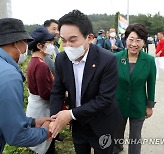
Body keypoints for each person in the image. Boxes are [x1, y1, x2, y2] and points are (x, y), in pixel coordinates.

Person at [49, 10, 123, 154]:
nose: (67, 45)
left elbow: (104, 99)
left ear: (89, 38)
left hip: (103, 122)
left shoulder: (107, 60)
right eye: (63, 40)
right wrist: (55, 119)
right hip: (79, 124)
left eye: (73, 40)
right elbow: (57, 91)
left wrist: (70, 114)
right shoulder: (61, 59)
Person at [0, 18, 52, 153]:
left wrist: (32, 122)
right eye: (25, 43)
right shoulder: (7, 75)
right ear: (16, 43)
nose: (26, 48)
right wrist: (45, 132)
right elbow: (16, 136)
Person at [113, 23, 156, 154]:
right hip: (118, 104)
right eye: (131, 39)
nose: (134, 44)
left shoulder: (148, 60)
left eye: (138, 40)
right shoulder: (116, 58)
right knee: (116, 134)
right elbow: (109, 82)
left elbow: (151, 83)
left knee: (135, 137)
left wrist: (149, 106)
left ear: (144, 42)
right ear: (126, 39)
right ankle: (117, 148)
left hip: (138, 105)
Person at [26, 27, 55, 154]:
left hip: (35, 106)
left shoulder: (33, 62)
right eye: (49, 42)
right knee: (45, 142)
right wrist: (63, 95)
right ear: (39, 45)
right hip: (42, 109)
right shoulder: (41, 65)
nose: (52, 45)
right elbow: (45, 93)